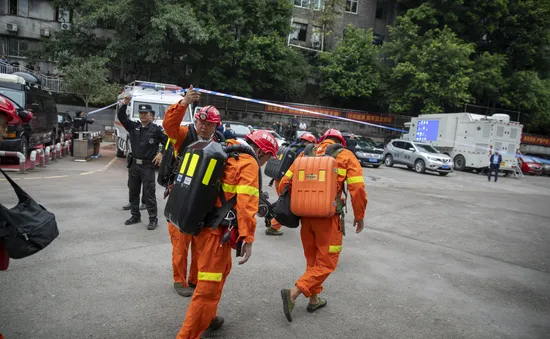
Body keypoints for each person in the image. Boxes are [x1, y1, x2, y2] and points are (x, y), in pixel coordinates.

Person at [174, 128, 278, 339]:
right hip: (215, 233)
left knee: (222, 272)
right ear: (262, 152)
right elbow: (247, 204)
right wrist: (248, 240)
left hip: (201, 226)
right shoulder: (248, 162)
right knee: (207, 289)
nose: (266, 162)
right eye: (268, 157)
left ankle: (208, 318)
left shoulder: (225, 148)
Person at [278, 128, 367, 322]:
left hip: (306, 218)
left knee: (313, 260)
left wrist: (295, 204)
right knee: (327, 262)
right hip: (328, 219)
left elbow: (284, 183)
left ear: (322, 140)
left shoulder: (305, 154)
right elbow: (357, 188)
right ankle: (294, 292)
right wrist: (359, 215)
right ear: (340, 142)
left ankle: (314, 300)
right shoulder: (345, 155)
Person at [162, 87, 225, 297]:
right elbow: (169, 125)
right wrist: (183, 104)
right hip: (180, 197)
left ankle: (194, 278)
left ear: (216, 125)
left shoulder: (220, 145)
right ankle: (179, 280)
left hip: (202, 202)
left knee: (200, 245)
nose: (204, 127)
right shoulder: (183, 135)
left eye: (209, 124)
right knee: (180, 245)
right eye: (201, 122)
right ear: (196, 120)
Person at [117, 97, 167, 230]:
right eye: (141, 113)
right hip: (134, 165)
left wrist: (161, 152)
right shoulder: (134, 127)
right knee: (133, 191)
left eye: (146, 113)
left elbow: (168, 142)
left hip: (147, 166)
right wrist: (125, 103)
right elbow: (121, 117)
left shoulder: (156, 130)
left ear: (151, 116)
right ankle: (135, 215)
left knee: (149, 192)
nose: (143, 115)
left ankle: (153, 219)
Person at [266, 132, 317, 236]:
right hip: (286, 182)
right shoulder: (302, 152)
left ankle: (270, 218)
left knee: (282, 202)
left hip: (278, 179)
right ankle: (273, 227)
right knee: (285, 205)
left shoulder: (291, 146)